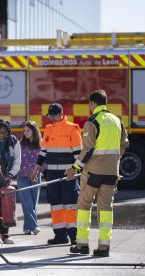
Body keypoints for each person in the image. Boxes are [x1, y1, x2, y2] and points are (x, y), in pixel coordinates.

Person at [66, 90, 129, 257]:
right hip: (111, 173)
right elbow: (124, 144)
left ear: (93, 104)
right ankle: (103, 247)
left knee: (84, 206)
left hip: (93, 173)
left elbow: (87, 150)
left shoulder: (92, 122)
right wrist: (113, 160)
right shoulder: (117, 121)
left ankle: (82, 245)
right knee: (106, 209)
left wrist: (74, 168)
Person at [31, 103, 82, 245]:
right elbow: (43, 152)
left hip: (68, 174)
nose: (51, 118)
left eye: (54, 115)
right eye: (50, 116)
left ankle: (74, 236)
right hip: (52, 174)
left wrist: (75, 170)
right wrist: (36, 168)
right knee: (56, 206)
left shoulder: (72, 128)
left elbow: (78, 153)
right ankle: (60, 235)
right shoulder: (48, 129)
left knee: (70, 205)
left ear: (61, 114)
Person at [17, 121, 43, 235]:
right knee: (27, 203)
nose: (25, 133)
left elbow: (44, 161)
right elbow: (16, 160)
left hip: (36, 177)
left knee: (33, 203)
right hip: (22, 176)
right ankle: (34, 226)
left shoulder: (41, 145)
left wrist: (38, 172)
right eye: (24, 131)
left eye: (28, 130)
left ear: (34, 131)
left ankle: (27, 227)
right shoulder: (20, 144)